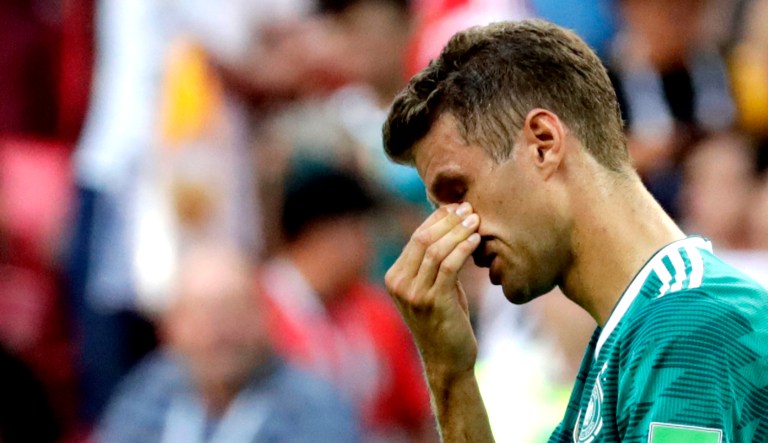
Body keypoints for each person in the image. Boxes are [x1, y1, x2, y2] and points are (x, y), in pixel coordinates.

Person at [381, 19, 768, 443]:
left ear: (543, 143)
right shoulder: (621, 345)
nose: (454, 229)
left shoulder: (687, 328)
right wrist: (450, 374)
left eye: (458, 191)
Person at [95, 242, 361, 442]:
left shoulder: (312, 406)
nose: (218, 331)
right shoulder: (148, 390)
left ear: (264, 315)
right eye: (200, 314)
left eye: (232, 310)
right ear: (171, 326)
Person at [260, 164, 437, 442]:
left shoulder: (377, 311)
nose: (370, 246)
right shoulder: (259, 312)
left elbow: (417, 413)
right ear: (322, 234)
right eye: (360, 230)